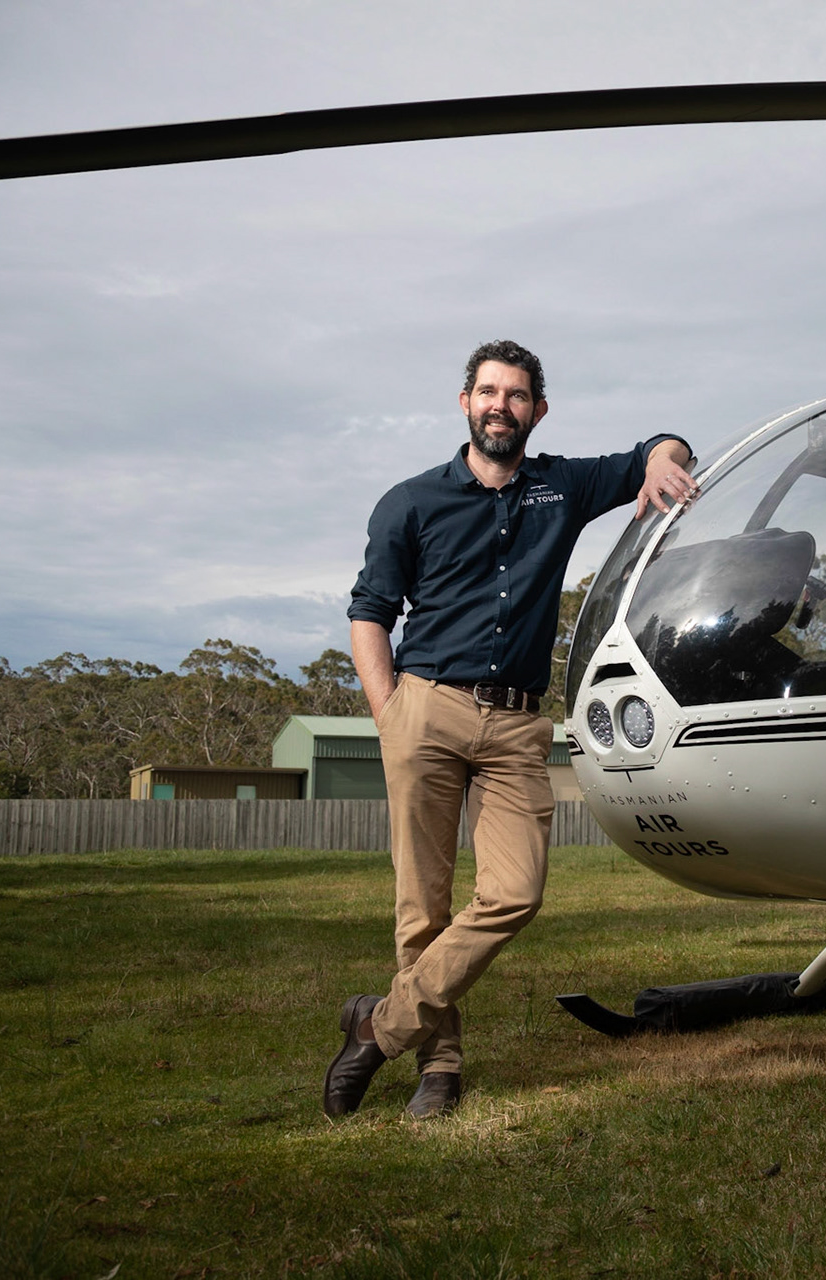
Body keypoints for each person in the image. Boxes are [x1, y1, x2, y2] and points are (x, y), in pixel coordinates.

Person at [327, 339, 696, 1119]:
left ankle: (379, 1026)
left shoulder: (560, 487)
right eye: (488, 391)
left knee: (515, 892)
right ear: (465, 402)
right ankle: (441, 1068)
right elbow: (369, 612)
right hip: (425, 708)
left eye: (518, 394)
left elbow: (654, 449)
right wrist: (390, 713)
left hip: (518, 726)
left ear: (538, 409)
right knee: (422, 904)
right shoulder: (411, 501)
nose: (502, 405)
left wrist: (667, 458)